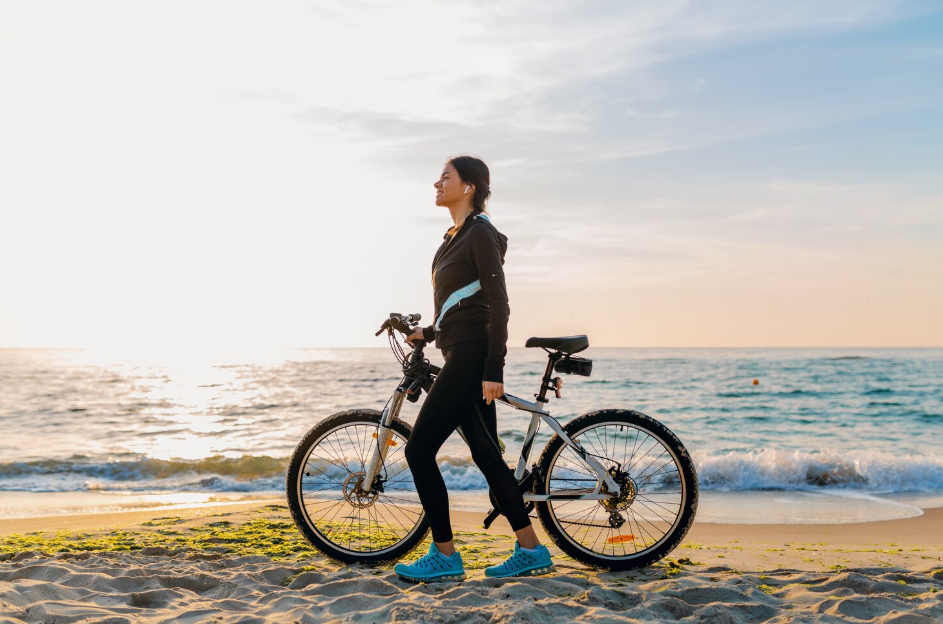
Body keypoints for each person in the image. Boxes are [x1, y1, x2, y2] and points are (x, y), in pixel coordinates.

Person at [393, 155, 554, 583]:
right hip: (458, 350)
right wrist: (426, 334)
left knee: (418, 449)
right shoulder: (453, 236)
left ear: (468, 187)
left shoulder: (479, 233)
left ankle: (445, 555)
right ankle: (531, 549)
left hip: (471, 357)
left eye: (445, 177)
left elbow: (497, 303)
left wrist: (493, 368)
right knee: (485, 453)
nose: (436, 183)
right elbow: (460, 306)